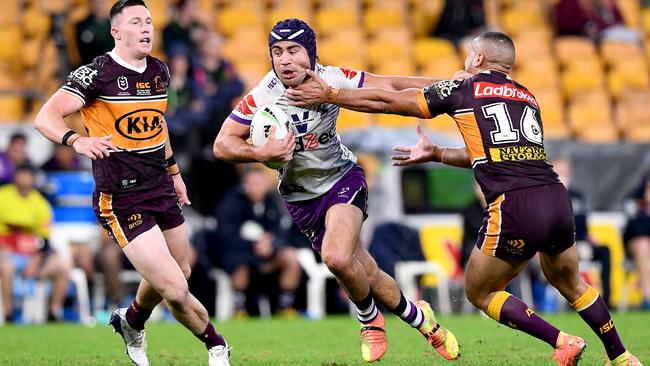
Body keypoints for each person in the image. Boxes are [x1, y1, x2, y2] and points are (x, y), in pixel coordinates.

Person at [287, 31, 642, 366]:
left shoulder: (465, 86)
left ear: (478, 56)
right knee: (571, 282)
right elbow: (490, 151)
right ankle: (622, 356)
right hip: (555, 197)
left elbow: (389, 100)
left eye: (469, 52)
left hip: (514, 204)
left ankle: (562, 342)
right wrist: (438, 153)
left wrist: (331, 96)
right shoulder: (527, 95)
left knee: (480, 291)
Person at [214, 18, 459, 363]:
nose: (284, 60)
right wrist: (259, 153)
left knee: (336, 256)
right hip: (300, 197)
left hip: (343, 178)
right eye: (277, 52)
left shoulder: (332, 79)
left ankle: (369, 320)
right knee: (366, 271)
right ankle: (426, 323)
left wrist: (449, 85)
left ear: (311, 54)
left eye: (293, 51)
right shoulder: (264, 95)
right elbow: (222, 144)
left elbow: (390, 83)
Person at [33, 1, 230, 365]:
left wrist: (174, 174)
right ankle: (217, 346)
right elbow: (45, 117)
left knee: (180, 270)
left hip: (160, 187)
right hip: (121, 196)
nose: (146, 28)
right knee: (175, 286)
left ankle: (133, 319)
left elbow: (157, 124)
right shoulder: (96, 73)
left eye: (149, 21)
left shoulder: (159, 70)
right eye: (136, 22)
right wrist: (78, 140)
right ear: (116, 31)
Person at [214, 165, 301, 317]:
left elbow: (282, 231)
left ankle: (285, 307)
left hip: (268, 254)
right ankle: (240, 309)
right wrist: (254, 245)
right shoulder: (231, 203)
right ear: (244, 185)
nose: (257, 188)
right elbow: (226, 235)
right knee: (238, 261)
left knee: (290, 257)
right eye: (252, 184)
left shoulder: (273, 201)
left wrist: (271, 245)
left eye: (260, 184)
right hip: (241, 252)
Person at [0, 164, 71, 322]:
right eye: (21, 174)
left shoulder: (40, 203)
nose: (25, 178)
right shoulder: (3, 196)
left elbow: (44, 240)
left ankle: (54, 312)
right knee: (7, 267)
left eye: (28, 175)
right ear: (15, 176)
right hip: (6, 253)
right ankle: (8, 313)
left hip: (31, 256)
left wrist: (36, 260)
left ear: (33, 179)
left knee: (63, 267)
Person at [554, 157, 612, 306]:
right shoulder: (548, 195)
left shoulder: (578, 195)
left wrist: (587, 237)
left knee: (604, 250)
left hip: (581, 241)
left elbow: (582, 221)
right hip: (559, 243)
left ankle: (606, 299)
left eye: (565, 172)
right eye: (559, 172)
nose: (563, 175)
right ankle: (572, 300)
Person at [623, 174, 650, 309]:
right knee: (643, 244)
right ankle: (647, 298)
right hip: (635, 246)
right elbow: (637, 230)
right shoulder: (633, 201)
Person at [75, 0, 114, 65]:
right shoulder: (82, 25)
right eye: (96, 3)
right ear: (91, 4)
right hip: (90, 65)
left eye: (102, 3)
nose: (99, 6)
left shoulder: (115, 24)